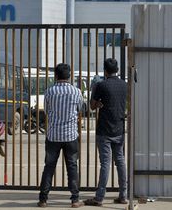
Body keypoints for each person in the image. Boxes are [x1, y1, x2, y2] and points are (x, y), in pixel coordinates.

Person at [37, 63, 84, 208]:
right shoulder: (76, 91)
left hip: (53, 136)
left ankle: (43, 199)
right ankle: (75, 199)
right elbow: (81, 108)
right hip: (70, 135)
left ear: (56, 75)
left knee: (49, 167)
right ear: (69, 76)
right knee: (72, 166)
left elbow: (46, 110)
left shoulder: (49, 91)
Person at [84, 58, 128, 206]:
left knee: (105, 164)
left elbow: (92, 106)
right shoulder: (124, 85)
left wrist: (96, 98)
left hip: (104, 130)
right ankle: (123, 195)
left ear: (105, 70)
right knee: (120, 161)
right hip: (119, 128)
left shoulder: (101, 85)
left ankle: (99, 197)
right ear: (117, 70)